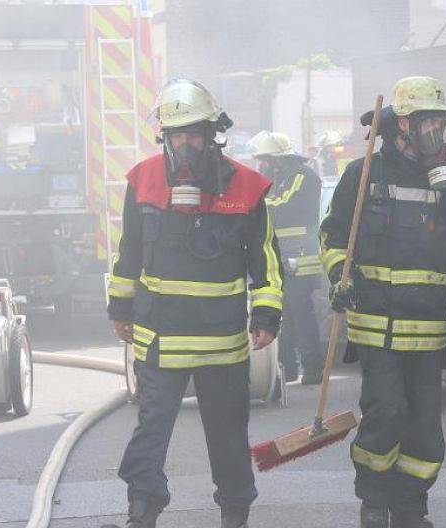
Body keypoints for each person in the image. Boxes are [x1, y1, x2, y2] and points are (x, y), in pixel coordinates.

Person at [105, 79, 283, 528]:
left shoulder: (246, 187)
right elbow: (129, 251)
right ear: (164, 137)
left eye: (193, 135)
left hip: (221, 343)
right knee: (150, 433)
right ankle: (142, 512)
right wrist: (120, 308)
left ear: (212, 135)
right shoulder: (143, 180)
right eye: (176, 135)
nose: (184, 145)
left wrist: (266, 313)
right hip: (159, 339)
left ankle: (235, 513)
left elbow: (265, 259)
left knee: (228, 437)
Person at [319, 76, 446, 528]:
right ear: (403, 125)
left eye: (440, 124)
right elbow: (333, 237)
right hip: (376, 327)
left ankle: (411, 507)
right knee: (385, 414)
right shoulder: (363, 175)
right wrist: (341, 275)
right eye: (427, 124)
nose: (436, 133)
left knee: (424, 429)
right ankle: (374, 502)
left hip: (429, 331)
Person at [250, 131, 324, 384]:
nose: (262, 165)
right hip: (283, 256)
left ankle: (312, 368)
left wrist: (253, 204)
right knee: (285, 317)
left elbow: (283, 206)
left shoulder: (302, 176)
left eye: (265, 160)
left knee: (302, 315)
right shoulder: (280, 178)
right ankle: (287, 369)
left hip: (299, 259)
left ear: (278, 160)